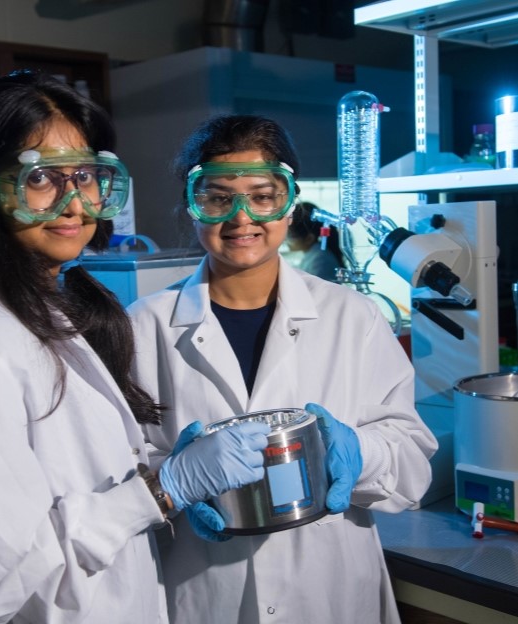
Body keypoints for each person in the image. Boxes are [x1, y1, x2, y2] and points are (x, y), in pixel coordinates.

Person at [0, 72, 270, 624]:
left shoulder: (44, 310)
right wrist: (162, 490)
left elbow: (72, 484)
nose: (72, 203)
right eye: (41, 177)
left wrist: (161, 470)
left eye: (85, 175)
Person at [128, 114, 438, 624]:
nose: (242, 216)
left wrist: (363, 453)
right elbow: (119, 471)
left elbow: (412, 467)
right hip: (205, 593)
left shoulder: (351, 316)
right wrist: (174, 481)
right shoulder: (144, 327)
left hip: (330, 594)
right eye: (218, 197)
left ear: (289, 203)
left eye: (263, 194)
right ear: (194, 207)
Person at [282, 200, 344, 281]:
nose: (285, 240)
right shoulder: (312, 255)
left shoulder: (320, 261)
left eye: (290, 236)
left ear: (309, 239)